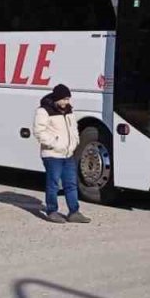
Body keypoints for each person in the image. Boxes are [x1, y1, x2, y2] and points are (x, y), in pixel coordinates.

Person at [34, 84, 89, 224]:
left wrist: (74, 142)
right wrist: (55, 143)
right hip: (52, 154)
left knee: (71, 183)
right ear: (57, 98)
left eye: (68, 99)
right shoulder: (44, 111)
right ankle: (52, 211)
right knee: (53, 184)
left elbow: (74, 128)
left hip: (67, 154)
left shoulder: (69, 111)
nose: (66, 102)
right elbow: (39, 131)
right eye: (64, 99)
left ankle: (74, 211)